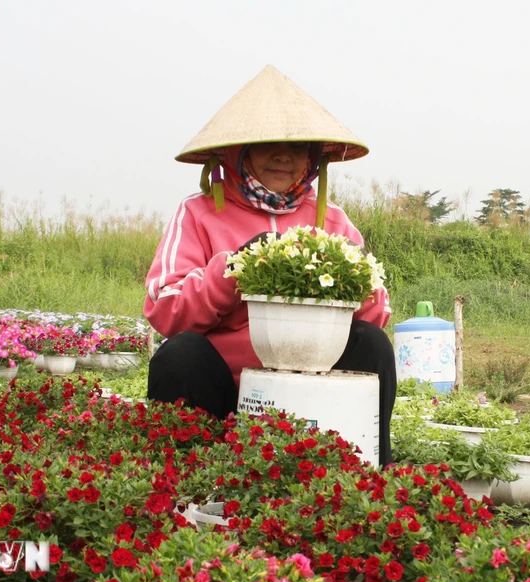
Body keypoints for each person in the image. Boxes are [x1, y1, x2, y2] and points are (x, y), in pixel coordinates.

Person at [143, 65, 397, 465]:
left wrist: (355, 281)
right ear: (236, 151)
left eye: (298, 148)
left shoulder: (332, 220)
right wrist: (234, 270)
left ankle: (369, 469)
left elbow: (374, 314)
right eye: (267, 145)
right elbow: (166, 307)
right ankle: (182, 476)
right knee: (180, 353)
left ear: (313, 157)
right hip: (225, 390)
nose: (284, 156)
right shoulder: (198, 212)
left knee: (371, 342)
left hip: (310, 393)